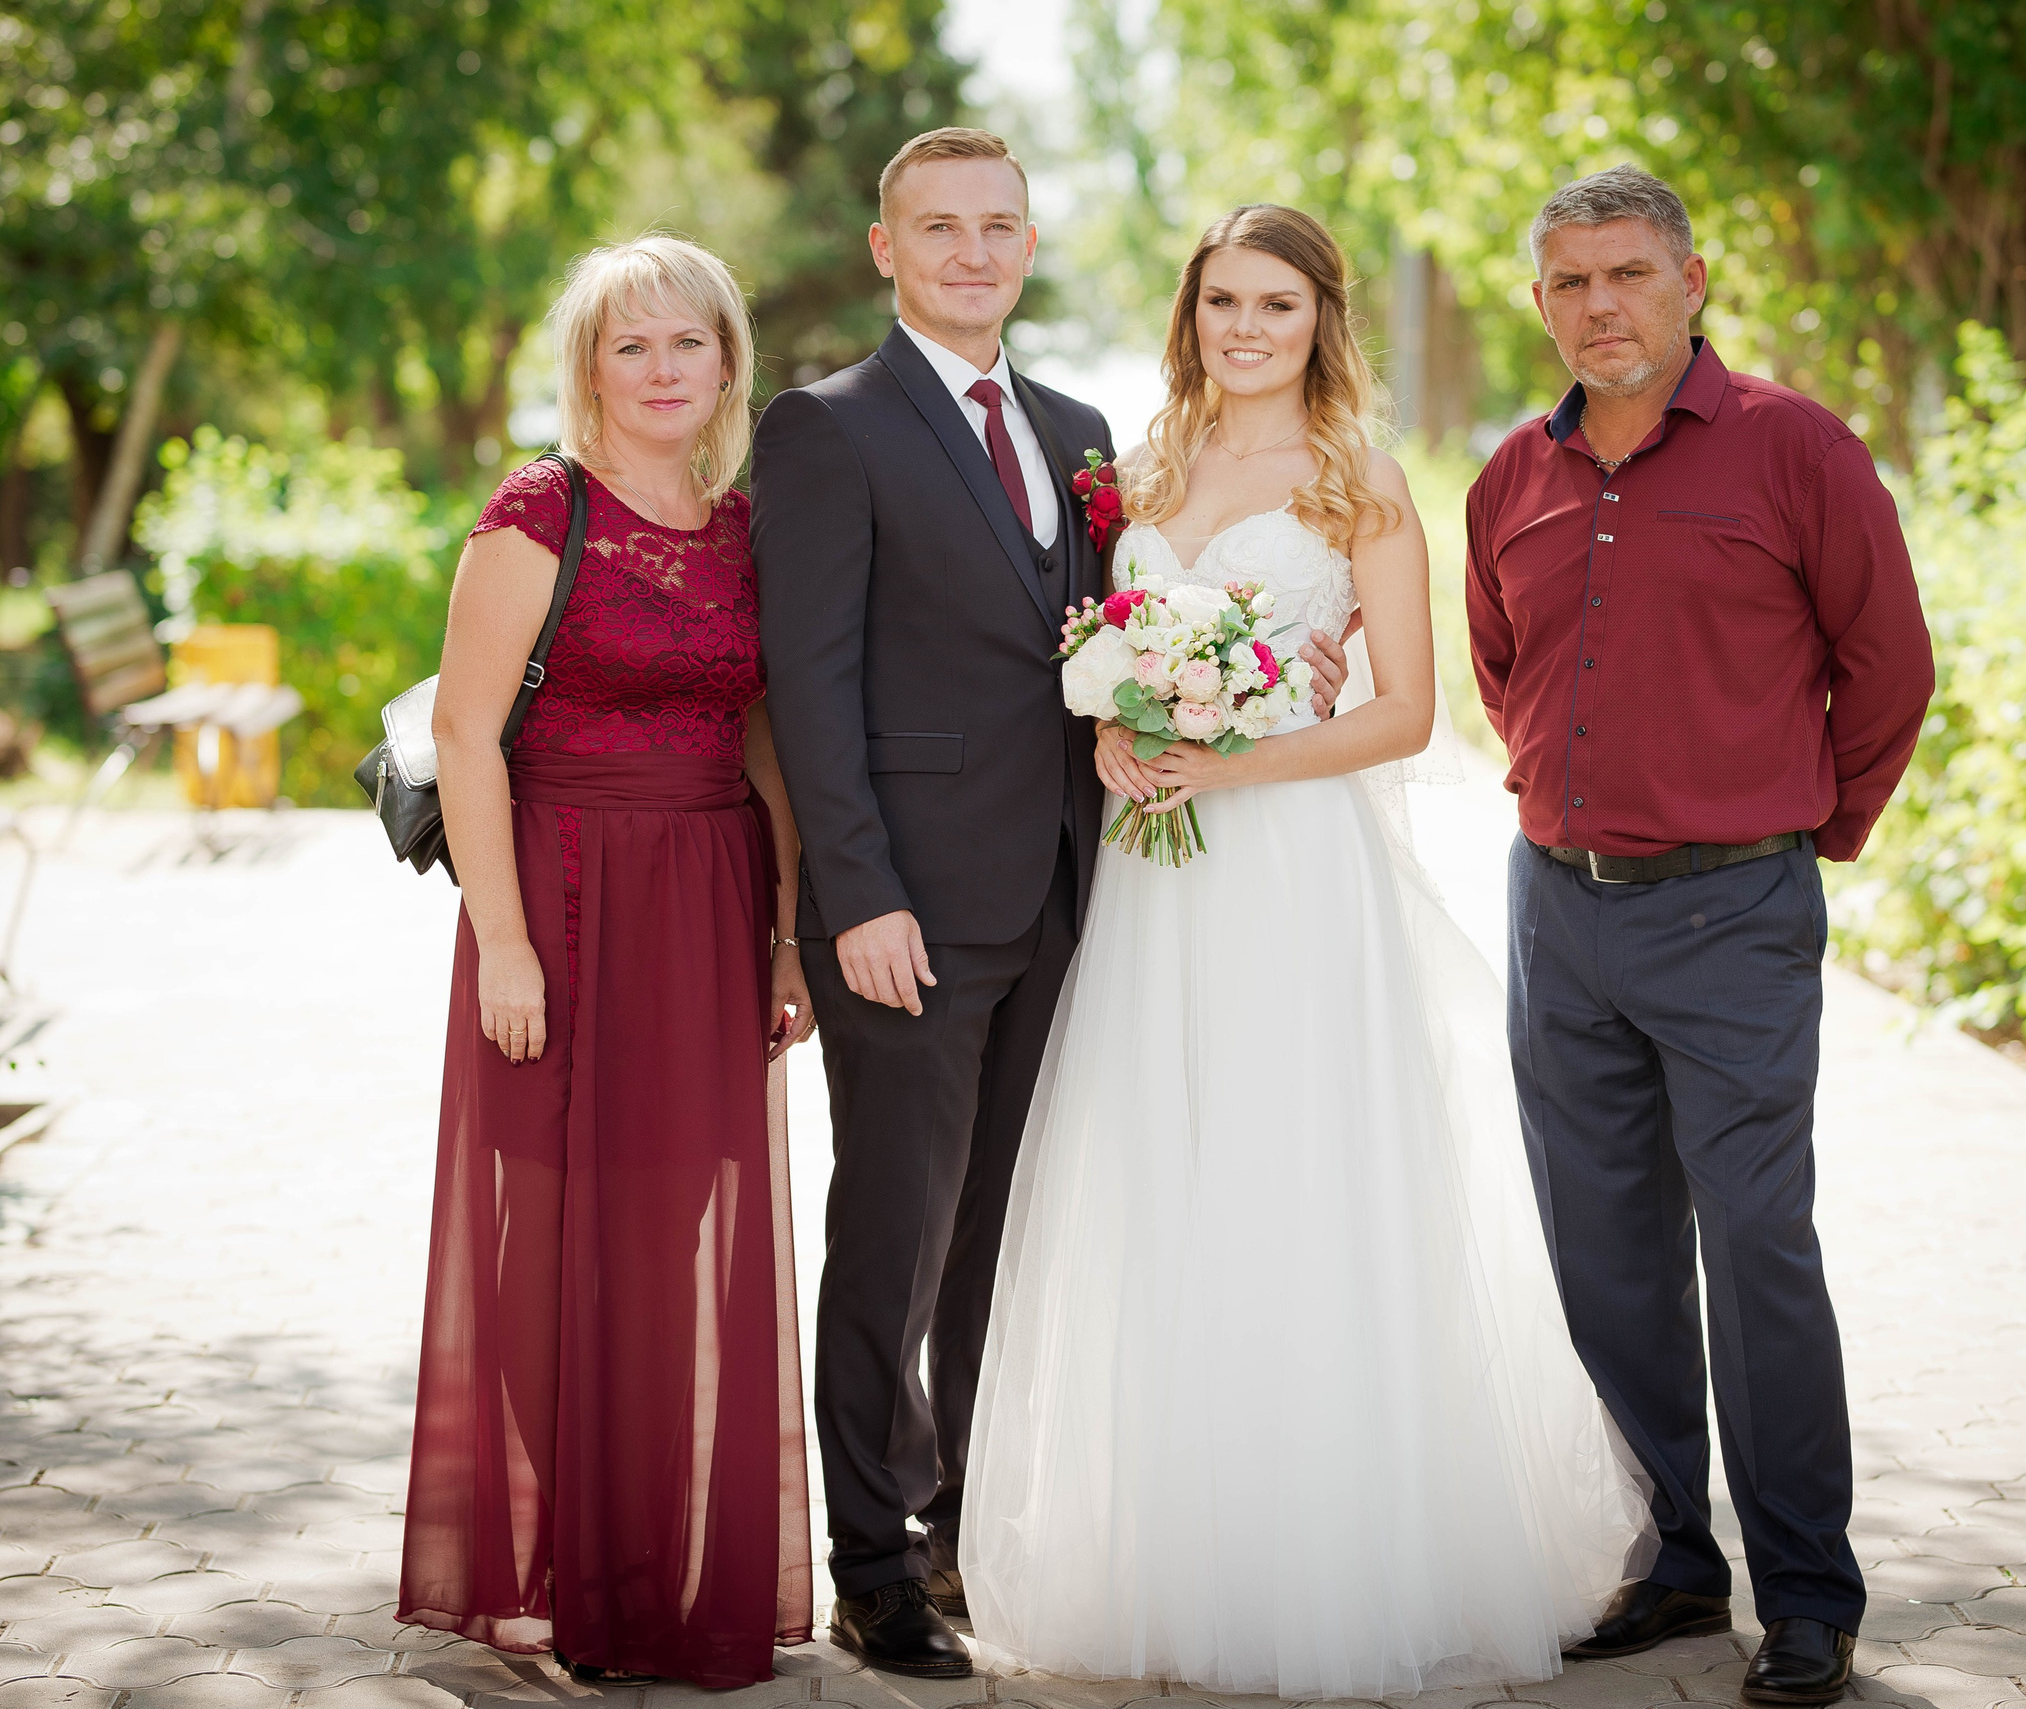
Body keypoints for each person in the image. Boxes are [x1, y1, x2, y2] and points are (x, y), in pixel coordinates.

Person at [959, 203, 1653, 1699]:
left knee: (1295, 1179)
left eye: (1276, 302)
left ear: (1321, 318)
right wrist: (1117, 728)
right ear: (1191, 314)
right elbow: (1101, 654)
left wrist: (1228, 762)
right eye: (1221, 301)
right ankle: (1172, 1553)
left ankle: (1327, 1559)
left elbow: (1408, 712)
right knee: (1166, 1178)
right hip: (1156, 882)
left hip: (1289, 870)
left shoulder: (1362, 486)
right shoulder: (1136, 472)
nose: (1246, 328)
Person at [751, 129, 1352, 1679]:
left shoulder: (1083, 429)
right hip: (908, 917)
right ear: (886, 248)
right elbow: (809, 692)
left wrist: (1263, 681)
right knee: (890, 1230)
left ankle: (961, 1529)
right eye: (937, 228)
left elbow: (1116, 640)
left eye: (997, 227)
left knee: (998, 1240)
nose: (971, 251)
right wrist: (857, 897)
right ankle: (870, 1564)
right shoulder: (828, 429)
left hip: (1071, 895)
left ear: (1028, 246)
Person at [1465, 164, 1933, 1708]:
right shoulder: (1506, 482)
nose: (1601, 305)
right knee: (1606, 1258)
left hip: (1735, 907)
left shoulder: (1791, 448)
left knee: (1755, 1245)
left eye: (1628, 275)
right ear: (1541, 305)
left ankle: (1808, 1588)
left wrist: (1803, 831)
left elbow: (1887, 667)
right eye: (1571, 283)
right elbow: (1500, 669)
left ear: (1693, 280)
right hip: (1557, 909)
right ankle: (1677, 1556)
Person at [398, 234, 815, 1689]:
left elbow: (768, 737)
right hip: (560, 900)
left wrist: (785, 938)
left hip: (708, 899)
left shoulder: (751, 526)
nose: (659, 370)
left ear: (725, 363)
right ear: (589, 367)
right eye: (628, 346)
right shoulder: (540, 508)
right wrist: (501, 941)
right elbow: (462, 732)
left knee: (681, 1228)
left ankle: (670, 1564)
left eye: (684, 344)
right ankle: (568, 1556)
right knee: (547, 1240)